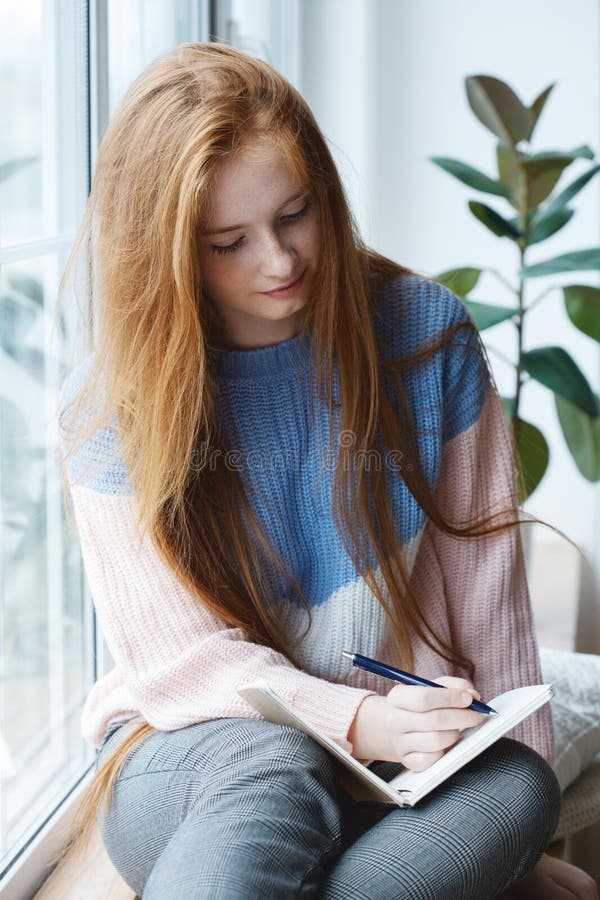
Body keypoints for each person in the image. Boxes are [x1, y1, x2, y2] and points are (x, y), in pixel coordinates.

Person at [56, 41, 597, 900]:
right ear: (166, 253)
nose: (279, 262)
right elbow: (186, 665)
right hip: (201, 755)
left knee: (520, 786)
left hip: (404, 769)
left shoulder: (423, 337)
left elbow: (488, 602)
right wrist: (354, 720)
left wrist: (507, 835)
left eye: (296, 214)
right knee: (273, 761)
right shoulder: (114, 411)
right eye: (228, 242)